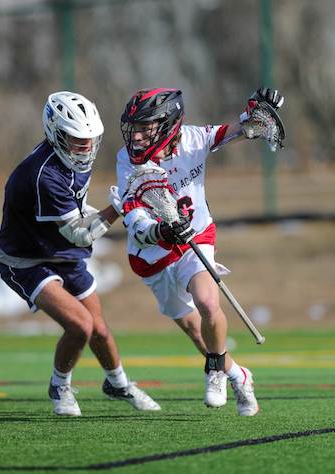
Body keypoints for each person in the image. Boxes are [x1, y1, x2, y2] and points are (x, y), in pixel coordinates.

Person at [115, 87, 284, 416]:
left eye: (145, 126)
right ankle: (238, 374)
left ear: (168, 124)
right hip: (152, 253)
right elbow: (134, 217)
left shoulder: (194, 139)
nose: (136, 135)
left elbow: (241, 129)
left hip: (196, 235)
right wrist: (159, 230)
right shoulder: (127, 160)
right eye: (134, 126)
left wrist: (257, 112)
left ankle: (216, 373)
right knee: (197, 332)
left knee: (208, 302)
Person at [0, 91, 160, 416]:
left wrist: (129, 210)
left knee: (99, 328)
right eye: (76, 139)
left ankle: (118, 383)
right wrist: (119, 207)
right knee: (81, 326)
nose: (85, 147)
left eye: (89, 139)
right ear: (56, 133)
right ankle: (59, 386)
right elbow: (79, 232)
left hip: (61, 252)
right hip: (27, 260)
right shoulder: (44, 175)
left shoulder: (70, 160)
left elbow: (77, 213)